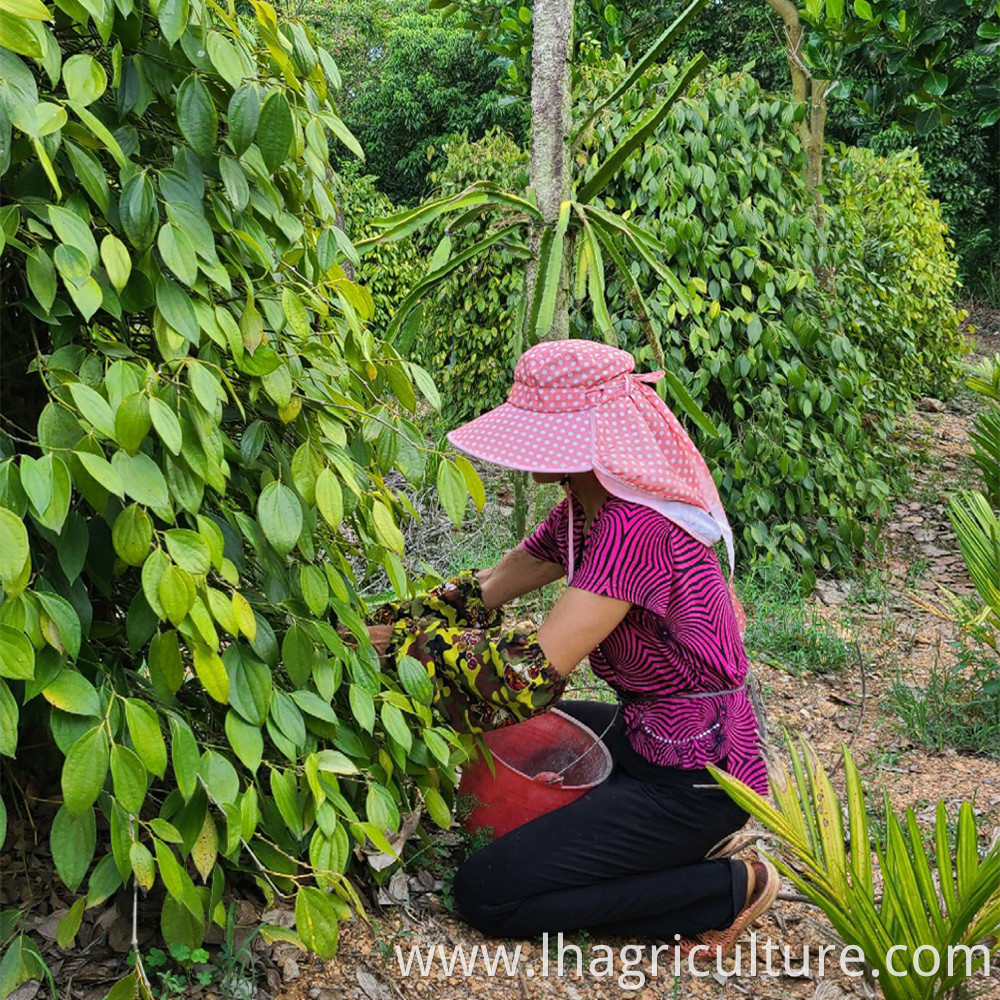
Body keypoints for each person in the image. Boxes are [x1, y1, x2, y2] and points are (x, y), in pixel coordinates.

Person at [365, 339, 777, 960]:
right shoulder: (584, 513)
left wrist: (409, 644)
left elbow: (526, 677)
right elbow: (491, 588)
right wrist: (371, 623)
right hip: (649, 732)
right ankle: (641, 847)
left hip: (697, 778)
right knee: (516, 742)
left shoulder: (634, 530)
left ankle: (722, 886)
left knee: (487, 893)